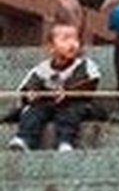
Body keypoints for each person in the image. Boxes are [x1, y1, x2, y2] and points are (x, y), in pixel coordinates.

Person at [7, 21, 102, 152]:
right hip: (47, 105)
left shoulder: (85, 65)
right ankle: (24, 139)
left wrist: (68, 92)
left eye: (76, 39)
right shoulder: (42, 69)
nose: (72, 43)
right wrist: (30, 94)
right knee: (32, 112)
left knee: (69, 114)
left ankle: (65, 141)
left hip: (74, 104)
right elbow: (28, 86)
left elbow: (91, 82)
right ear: (50, 47)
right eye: (65, 39)